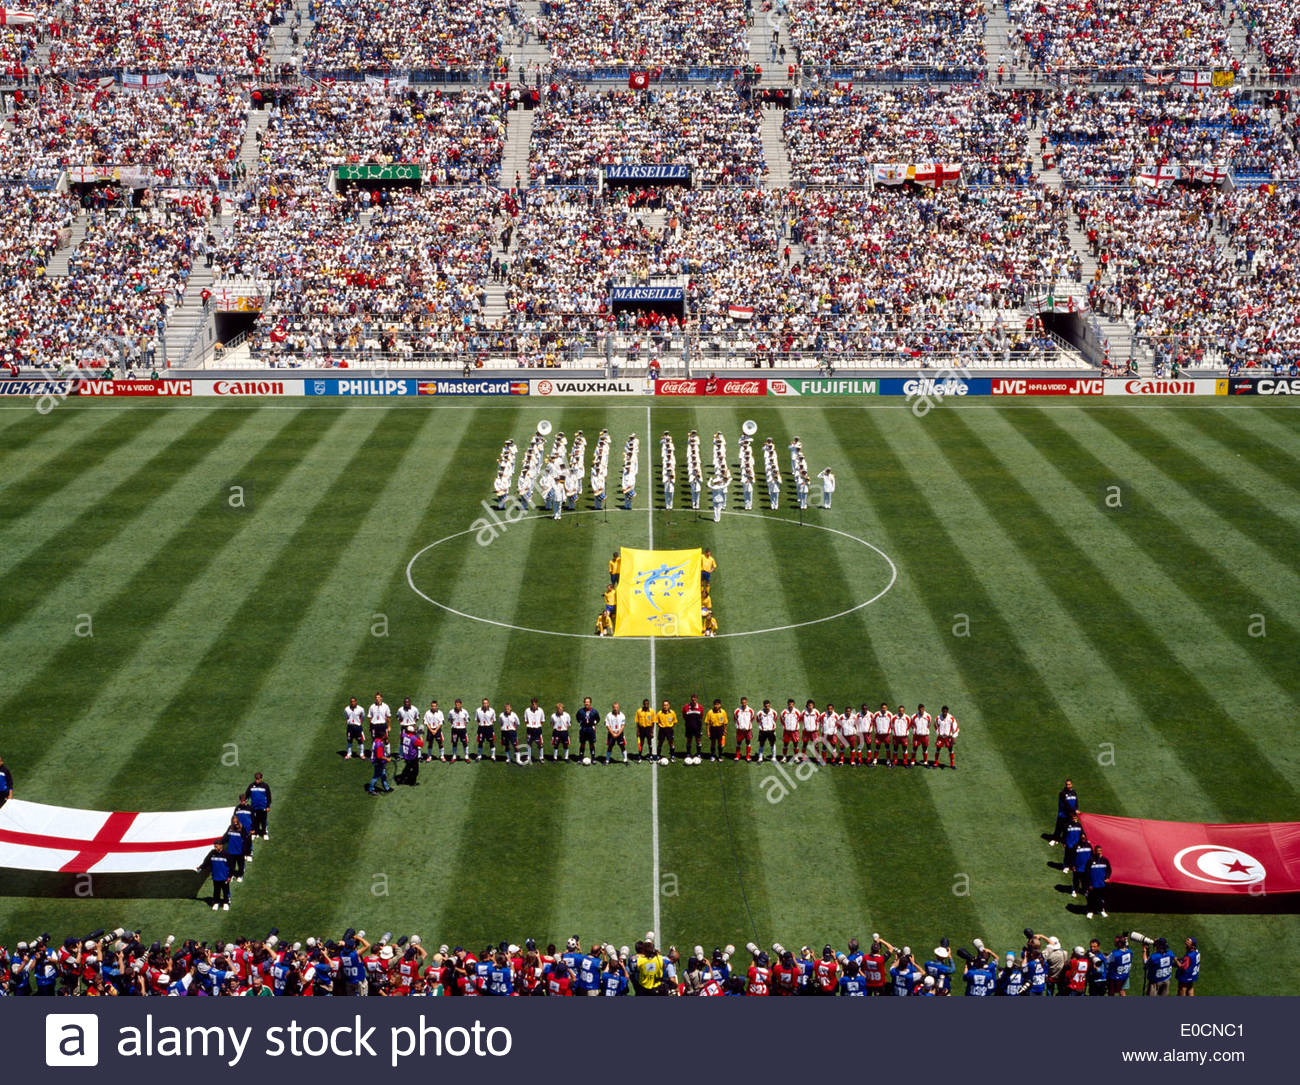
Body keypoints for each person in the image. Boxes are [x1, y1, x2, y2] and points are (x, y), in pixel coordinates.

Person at [1050, 778, 1079, 844]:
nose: (1068, 786)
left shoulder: (1074, 792)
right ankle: (1055, 839)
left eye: (1069, 784)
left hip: (1070, 814)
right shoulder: (1062, 793)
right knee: (1059, 828)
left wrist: (1076, 809)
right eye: (1067, 784)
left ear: (1072, 784)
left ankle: (1063, 840)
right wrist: (1074, 811)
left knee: (1067, 828)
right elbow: (1066, 804)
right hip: (1063, 814)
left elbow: (1076, 802)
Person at [1086, 845, 1111, 919]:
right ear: (1095, 851)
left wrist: (1107, 877)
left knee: (1101, 898)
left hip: (1102, 884)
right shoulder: (1090, 860)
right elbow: (1087, 873)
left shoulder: (1105, 860)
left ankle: (1101, 910)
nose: (1099, 852)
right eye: (1098, 851)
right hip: (1093, 884)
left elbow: (1109, 870)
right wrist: (1089, 883)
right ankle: (1090, 911)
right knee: (1091, 898)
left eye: (1100, 851)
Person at [245, 773, 272, 839]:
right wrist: (245, 802)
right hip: (254, 807)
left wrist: (268, 806)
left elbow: (269, 797)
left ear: (261, 778)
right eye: (256, 779)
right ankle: (255, 832)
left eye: (258, 779)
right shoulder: (251, 785)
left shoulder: (265, 786)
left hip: (263, 807)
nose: (257, 780)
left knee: (263, 820)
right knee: (254, 820)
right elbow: (247, 795)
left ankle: (264, 833)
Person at [368, 692, 391, 759]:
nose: (377, 699)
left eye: (378, 697)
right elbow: (370, 717)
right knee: (374, 740)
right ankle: (373, 755)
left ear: (381, 698)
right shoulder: (372, 706)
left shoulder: (385, 706)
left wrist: (389, 726)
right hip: (374, 726)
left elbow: (388, 717)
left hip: (383, 726)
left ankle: (388, 754)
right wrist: (370, 726)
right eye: (376, 697)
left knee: (386, 740)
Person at [209, 840, 231, 911]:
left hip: (224, 877)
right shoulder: (212, 853)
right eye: (214, 846)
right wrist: (201, 867)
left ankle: (226, 903)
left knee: (225, 890)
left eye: (216, 845)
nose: (215, 847)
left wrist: (229, 876)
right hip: (216, 876)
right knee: (216, 890)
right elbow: (207, 862)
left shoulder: (226, 854)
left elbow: (231, 866)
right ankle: (216, 902)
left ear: (221, 845)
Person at [934, 705, 958, 769]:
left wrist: (954, 737)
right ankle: (936, 763)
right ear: (941, 711)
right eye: (943, 711)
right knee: (938, 749)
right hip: (941, 737)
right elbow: (935, 726)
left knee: (950, 750)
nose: (944, 712)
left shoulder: (951, 718)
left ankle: (952, 764)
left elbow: (955, 728)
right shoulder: (938, 718)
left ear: (947, 711)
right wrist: (938, 733)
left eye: (945, 711)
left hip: (948, 737)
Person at [576, 696, 600, 762]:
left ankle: (593, 758)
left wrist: (594, 723)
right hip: (583, 729)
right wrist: (582, 723)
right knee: (582, 743)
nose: (587, 703)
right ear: (584, 703)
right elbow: (578, 718)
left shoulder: (594, 711)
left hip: (591, 730)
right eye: (585, 702)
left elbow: (598, 719)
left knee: (591, 743)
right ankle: (580, 758)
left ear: (590, 703)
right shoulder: (580, 711)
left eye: (588, 702)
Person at [682, 694, 705, 761]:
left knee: (698, 740)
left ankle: (698, 754)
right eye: (692, 699)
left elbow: (701, 716)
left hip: (697, 727)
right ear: (691, 699)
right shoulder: (686, 707)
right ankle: (688, 754)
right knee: (689, 740)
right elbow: (684, 716)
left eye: (695, 699)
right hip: (689, 727)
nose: (693, 701)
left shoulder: (700, 707)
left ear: (697, 699)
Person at [733, 696, 755, 762]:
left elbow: (752, 719)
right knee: (738, 742)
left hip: (748, 730)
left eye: (745, 702)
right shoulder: (737, 711)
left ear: (746, 702)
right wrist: (739, 726)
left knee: (748, 742)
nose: (744, 704)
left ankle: (748, 756)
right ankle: (737, 756)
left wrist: (747, 726)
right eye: (742, 702)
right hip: (740, 730)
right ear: (741, 702)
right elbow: (735, 719)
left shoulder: (751, 710)